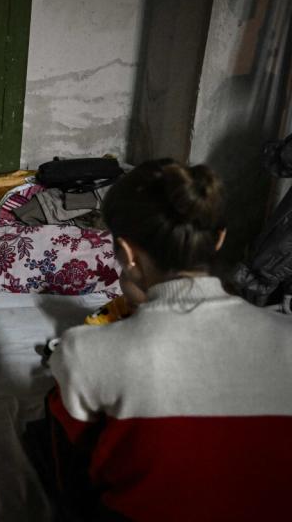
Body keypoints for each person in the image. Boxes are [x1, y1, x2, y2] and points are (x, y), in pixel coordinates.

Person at [41, 159, 292, 521]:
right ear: (219, 239)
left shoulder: (84, 350)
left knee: (57, 408)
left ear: (127, 254)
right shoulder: (286, 336)